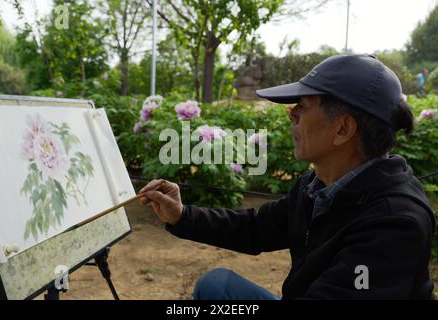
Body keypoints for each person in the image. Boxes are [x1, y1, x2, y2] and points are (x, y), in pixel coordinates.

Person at [139, 54, 436, 300]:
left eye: (301, 107)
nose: (290, 115)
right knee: (215, 285)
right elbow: (256, 228)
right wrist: (181, 215)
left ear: (343, 129)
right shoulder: (318, 185)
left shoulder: (394, 223)